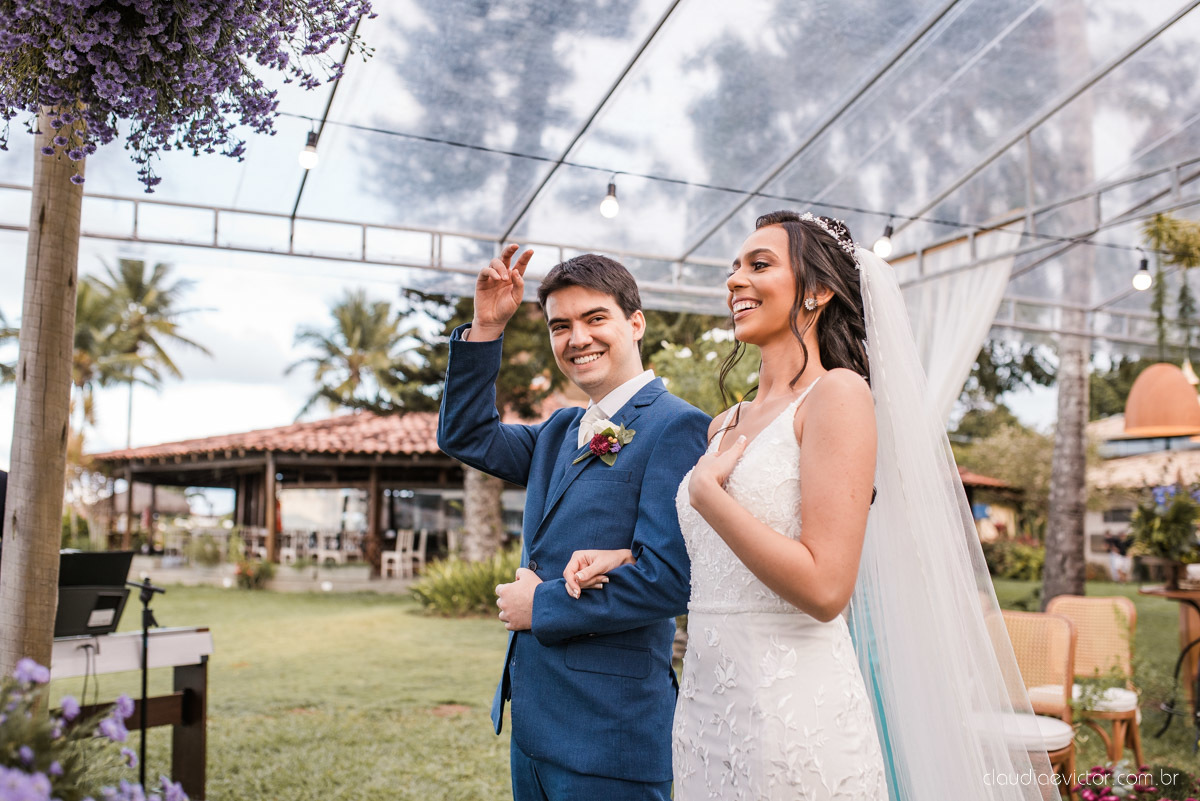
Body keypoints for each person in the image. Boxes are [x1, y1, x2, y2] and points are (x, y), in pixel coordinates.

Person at [565, 212, 1054, 800]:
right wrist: (623, 557)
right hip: (706, 707)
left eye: (759, 265)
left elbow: (826, 589)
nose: (734, 280)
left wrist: (707, 498)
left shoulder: (839, 395)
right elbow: (721, 568)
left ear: (818, 292)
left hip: (791, 708)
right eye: (734, 268)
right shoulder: (726, 422)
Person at [437, 246, 710, 801]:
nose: (576, 338)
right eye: (560, 326)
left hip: (610, 734)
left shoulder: (678, 427)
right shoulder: (560, 430)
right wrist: (488, 326)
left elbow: (670, 579)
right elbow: (465, 435)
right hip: (536, 728)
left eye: (594, 319)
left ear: (635, 323)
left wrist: (542, 606)